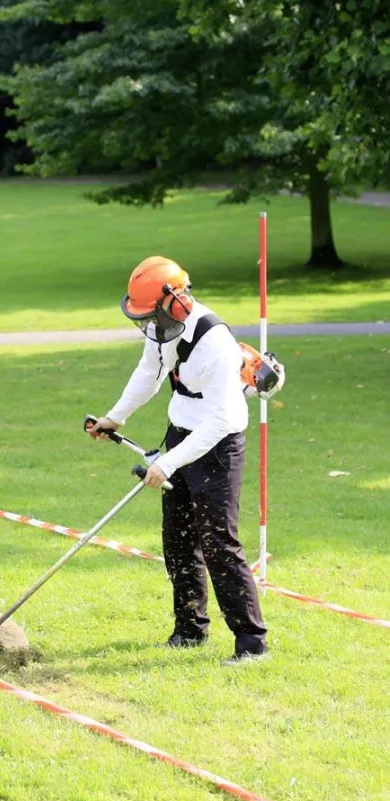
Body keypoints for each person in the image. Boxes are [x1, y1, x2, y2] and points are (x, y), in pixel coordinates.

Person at [88, 256, 284, 665]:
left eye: (151, 316)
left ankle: (251, 642)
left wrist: (168, 464)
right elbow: (149, 373)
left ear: (176, 302)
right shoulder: (163, 328)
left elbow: (220, 422)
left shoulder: (214, 344)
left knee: (218, 543)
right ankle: (189, 630)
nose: (148, 326)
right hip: (181, 433)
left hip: (217, 444)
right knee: (177, 540)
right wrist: (115, 417)